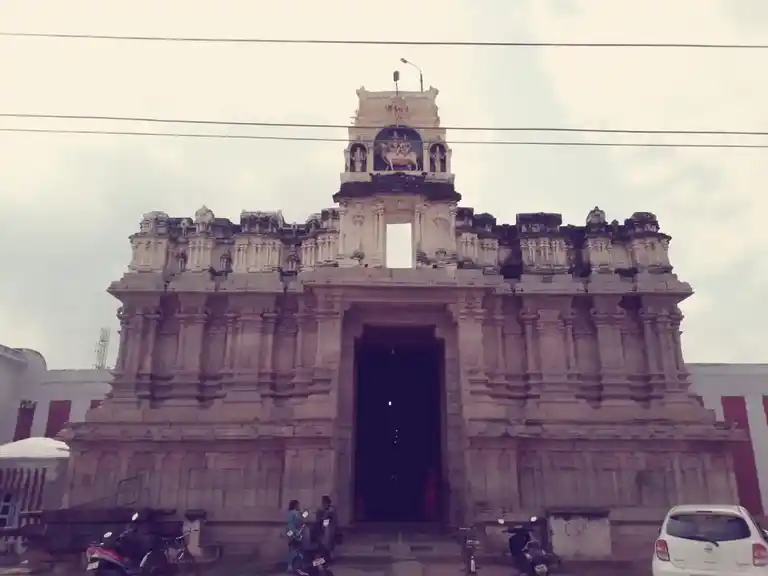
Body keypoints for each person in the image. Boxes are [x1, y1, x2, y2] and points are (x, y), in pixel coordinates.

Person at [286, 499, 304, 573]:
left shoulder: (288, 513)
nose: (299, 506)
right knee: (297, 549)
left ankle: (290, 566)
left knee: (291, 549)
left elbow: (289, 524)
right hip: (295, 532)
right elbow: (299, 522)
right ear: (295, 505)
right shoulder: (296, 513)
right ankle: (297, 566)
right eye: (298, 505)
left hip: (289, 532)